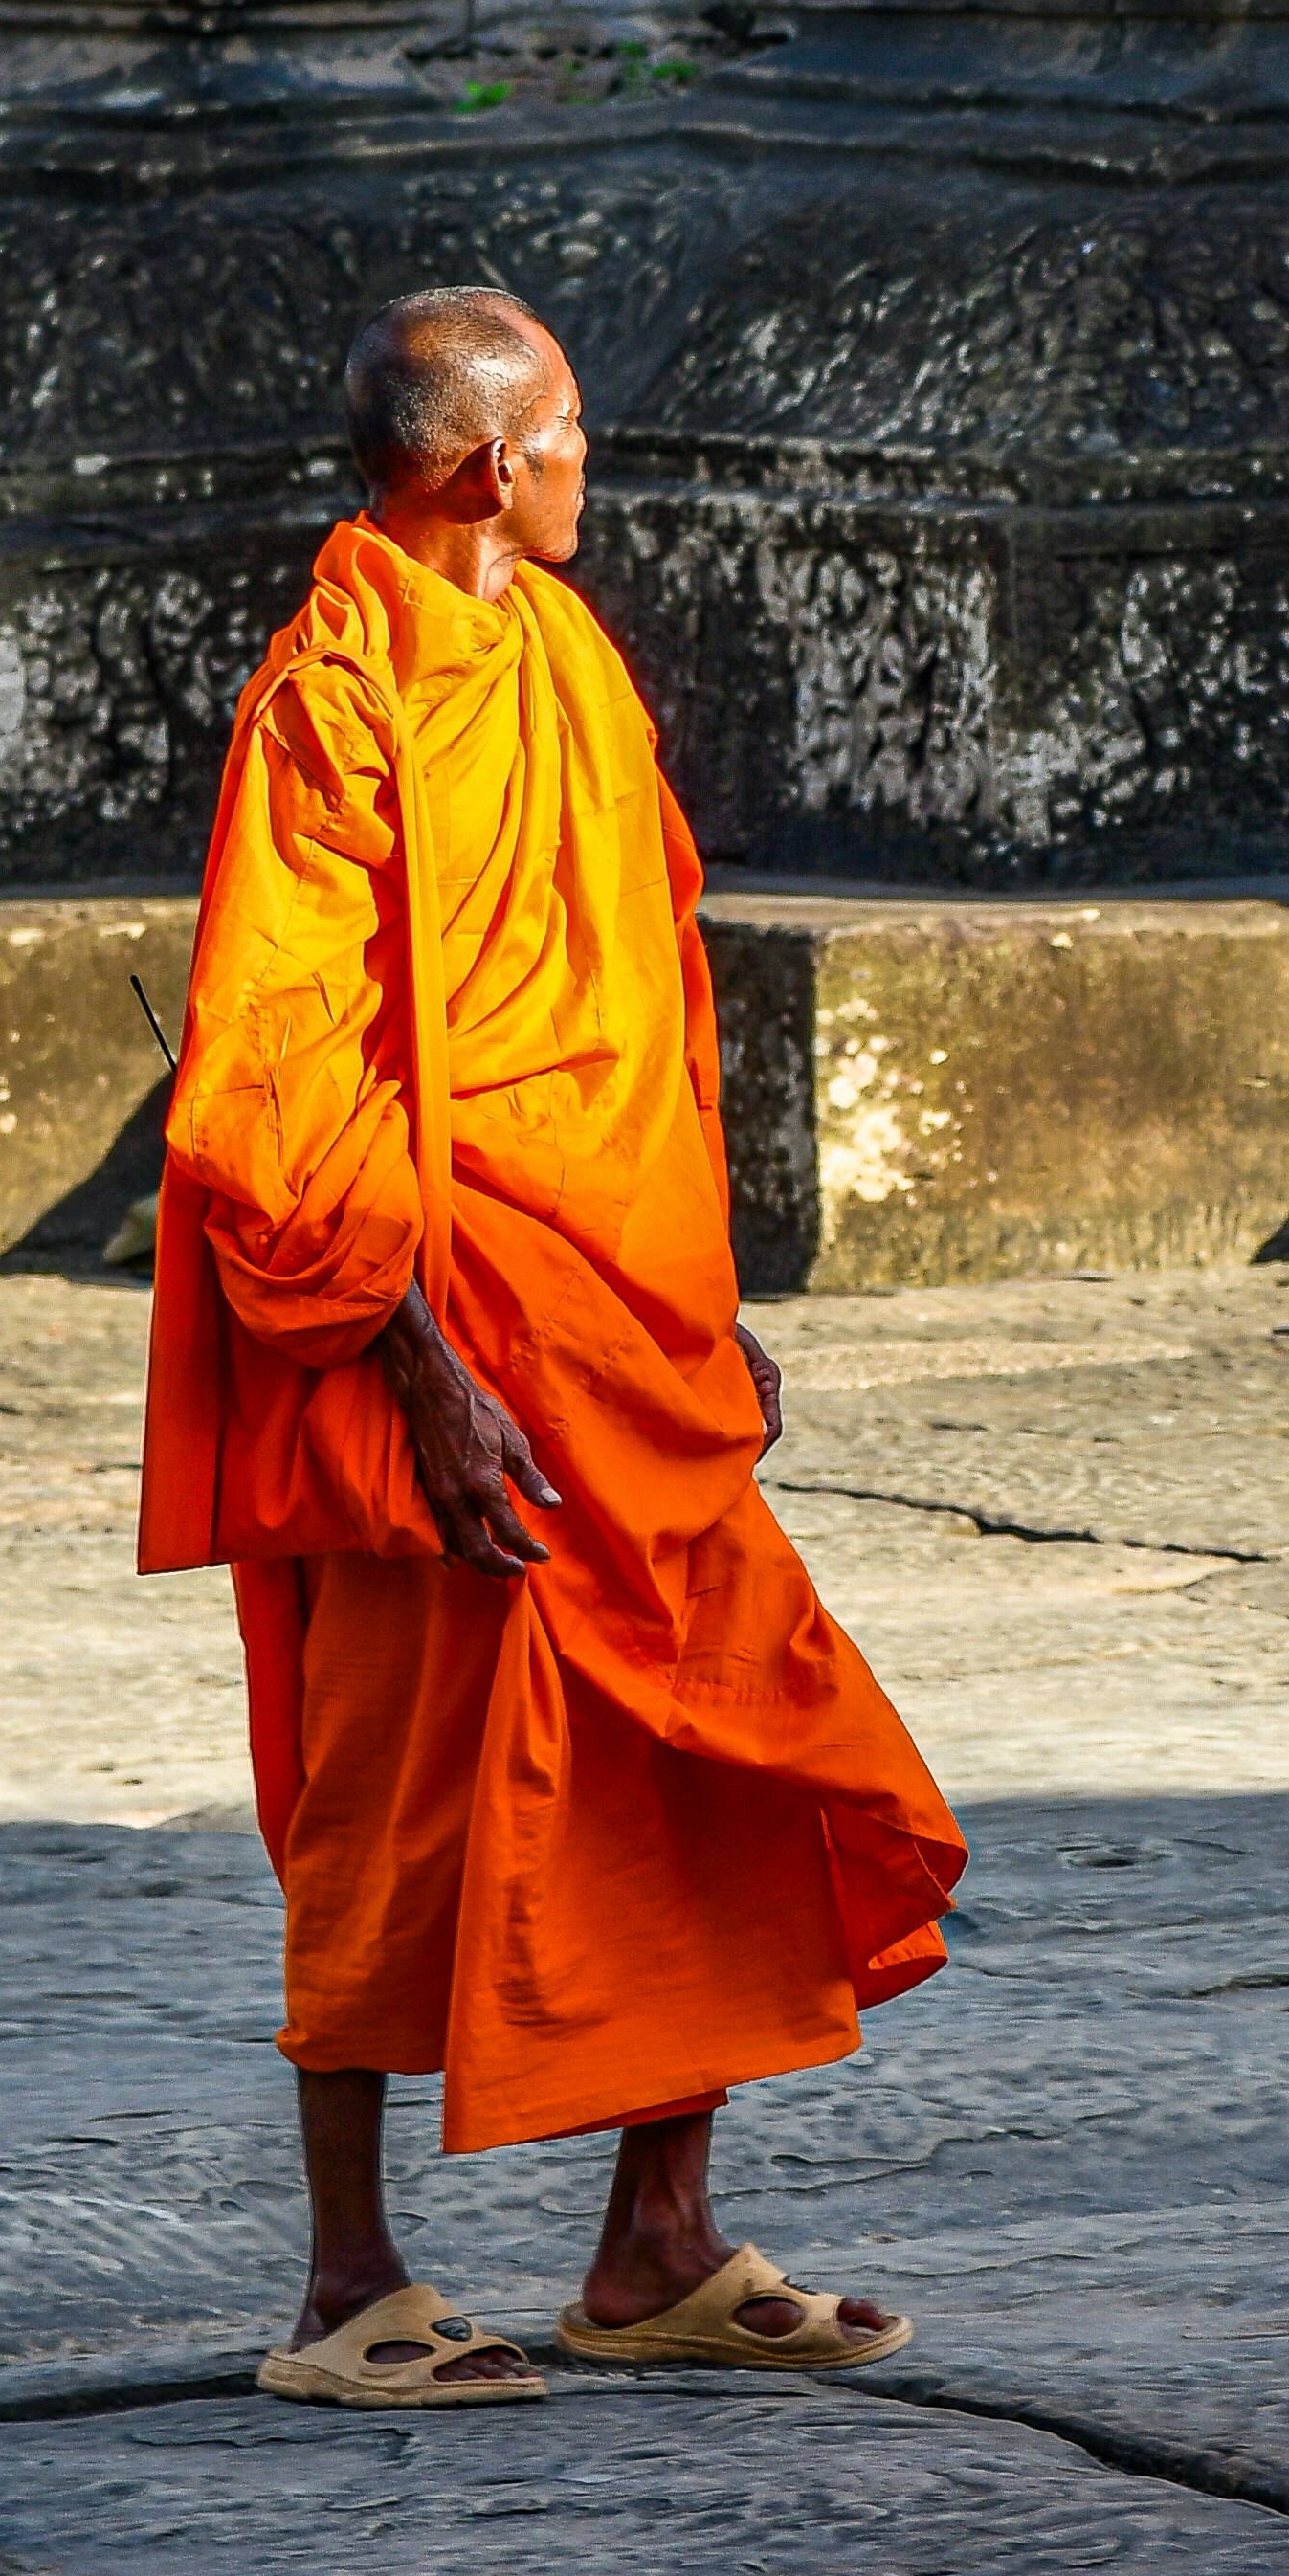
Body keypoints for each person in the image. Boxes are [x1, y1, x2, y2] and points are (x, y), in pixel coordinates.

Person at [141, 285, 962, 2408]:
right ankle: (344, 2285)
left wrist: (695, 1297)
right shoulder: (332, 698)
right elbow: (279, 1065)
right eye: (575, 431)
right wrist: (409, 1362)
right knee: (393, 1804)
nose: (597, 464)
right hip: (434, 1332)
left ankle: (656, 2239)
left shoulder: (567, 655)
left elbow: (631, 1013)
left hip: (610, 1313)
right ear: (496, 463)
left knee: (715, 1755)